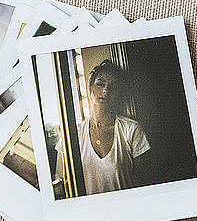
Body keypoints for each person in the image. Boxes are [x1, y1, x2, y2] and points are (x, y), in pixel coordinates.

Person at [56, 60, 151, 195]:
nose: (105, 90)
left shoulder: (132, 130)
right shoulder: (73, 134)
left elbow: (142, 182)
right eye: (100, 84)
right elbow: (66, 184)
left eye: (113, 87)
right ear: (90, 88)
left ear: (119, 93)